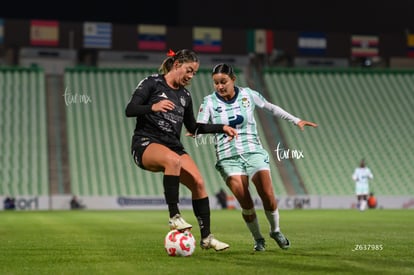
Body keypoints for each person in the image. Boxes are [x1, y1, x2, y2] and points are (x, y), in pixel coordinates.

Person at [196, 63, 318, 251]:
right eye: (216, 83)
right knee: (245, 200)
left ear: (233, 79)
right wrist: (196, 130)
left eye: (223, 82)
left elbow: (271, 108)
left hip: (253, 151)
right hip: (228, 158)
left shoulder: (247, 94)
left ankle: (275, 230)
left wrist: (296, 120)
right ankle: (258, 238)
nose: (220, 86)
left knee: (268, 195)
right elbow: (200, 125)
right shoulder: (209, 102)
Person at [125, 49, 238, 251]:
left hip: (173, 146)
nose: (191, 76)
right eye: (189, 70)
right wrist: (153, 107)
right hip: (145, 142)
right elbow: (130, 109)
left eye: (194, 73)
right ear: (177, 64)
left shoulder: (185, 95)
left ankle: (207, 238)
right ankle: (174, 216)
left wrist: (221, 128)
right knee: (173, 161)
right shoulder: (152, 83)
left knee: (199, 183)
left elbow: (193, 127)